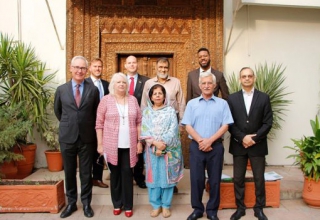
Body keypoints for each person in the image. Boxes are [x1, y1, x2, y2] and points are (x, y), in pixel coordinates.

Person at [182, 72, 233, 220]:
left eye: (209, 83)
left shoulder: (222, 104)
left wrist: (210, 141)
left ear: (214, 85)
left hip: (215, 147)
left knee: (215, 180)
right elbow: (188, 125)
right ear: (199, 85)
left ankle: (212, 210)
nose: (206, 86)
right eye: (203, 83)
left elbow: (226, 126)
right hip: (196, 147)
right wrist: (201, 141)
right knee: (196, 179)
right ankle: (197, 209)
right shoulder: (192, 104)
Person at [54, 56, 100, 218]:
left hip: (87, 137)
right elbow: (58, 111)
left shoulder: (93, 90)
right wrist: (70, 124)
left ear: (86, 70)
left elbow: (96, 113)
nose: (79, 71)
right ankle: (71, 203)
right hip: (67, 137)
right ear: (71, 68)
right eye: (77, 67)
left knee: (86, 172)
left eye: (82, 68)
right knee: (69, 171)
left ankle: (86, 203)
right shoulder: (61, 89)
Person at [227, 67, 273, 220]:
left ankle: (259, 208)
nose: (247, 78)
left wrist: (254, 138)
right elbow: (230, 123)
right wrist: (243, 138)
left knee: (259, 178)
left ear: (254, 78)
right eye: (244, 76)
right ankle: (240, 208)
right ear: (240, 79)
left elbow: (268, 122)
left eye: (249, 76)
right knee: (238, 178)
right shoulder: (232, 98)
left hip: (258, 145)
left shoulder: (264, 97)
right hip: (238, 145)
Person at [95, 72, 142, 218]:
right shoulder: (106, 100)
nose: (121, 84)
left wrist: (140, 141)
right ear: (113, 84)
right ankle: (117, 204)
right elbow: (99, 123)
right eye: (118, 82)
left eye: (124, 82)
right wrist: (100, 144)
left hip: (130, 145)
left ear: (127, 85)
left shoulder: (133, 100)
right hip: (111, 145)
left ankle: (128, 205)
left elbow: (139, 122)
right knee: (115, 174)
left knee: (128, 174)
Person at [141, 57, 185, 194]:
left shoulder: (176, 82)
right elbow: (144, 104)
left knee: (171, 157)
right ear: (156, 68)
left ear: (168, 68)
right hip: (152, 125)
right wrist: (145, 125)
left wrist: (182, 123)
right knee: (155, 158)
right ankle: (156, 184)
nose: (163, 70)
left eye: (165, 67)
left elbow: (181, 102)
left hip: (171, 124)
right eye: (160, 67)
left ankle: (171, 182)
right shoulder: (149, 83)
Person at [140, 84, 184, 218]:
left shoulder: (170, 111)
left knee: (166, 179)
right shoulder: (147, 112)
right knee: (154, 178)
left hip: (168, 149)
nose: (158, 96)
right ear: (151, 97)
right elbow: (144, 130)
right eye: (155, 94)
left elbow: (173, 130)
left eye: (160, 93)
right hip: (151, 151)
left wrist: (163, 145)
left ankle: (165, 206)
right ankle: (155, 205)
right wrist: (155, 144)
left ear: (164, 96)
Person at [124, 55, 149, 189]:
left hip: (141, 120)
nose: (132, 65)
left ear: (137, 65)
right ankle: (127, 176)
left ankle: (139, 177)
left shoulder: (146, 81)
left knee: (139, 147)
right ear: (125, 65)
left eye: (134, 62)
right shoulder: (120, 80)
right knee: (125, 147)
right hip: (124, 121)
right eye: (129, 63)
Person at [86, 58, 109, 188]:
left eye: (100, 66)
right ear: (90, 68)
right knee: (89, 151)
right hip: (89, 123)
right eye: (95, 66)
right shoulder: (85, 83)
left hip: (104, 124)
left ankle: (97, 178)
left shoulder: (106, 85)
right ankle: (87, 178)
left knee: (101, 151)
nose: (98, 69)